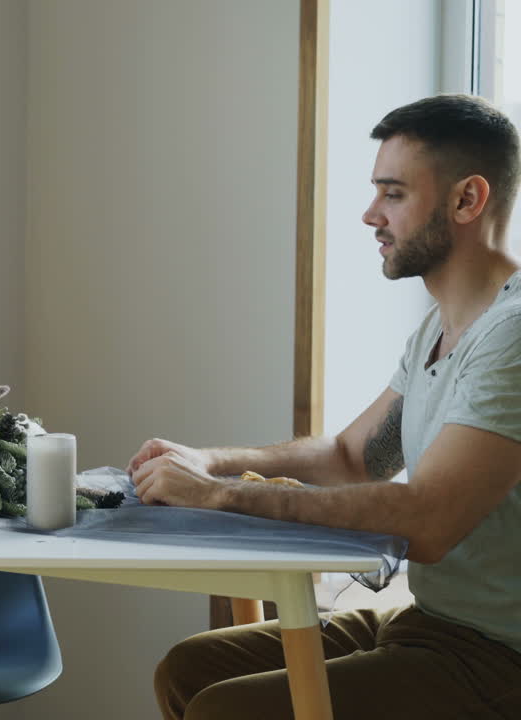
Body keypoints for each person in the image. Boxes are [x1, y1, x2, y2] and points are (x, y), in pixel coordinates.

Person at [130, 94, 521, 719]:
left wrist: (222, 495)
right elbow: (352, 457)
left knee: (229, 710)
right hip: (432, 623)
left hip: (499, 657)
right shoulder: (440, 329)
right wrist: (208, 462)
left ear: (467, 200)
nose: (371, 215)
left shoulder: (512, 333)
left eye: (393, 194)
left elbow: (429, 521)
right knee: (189, 669)